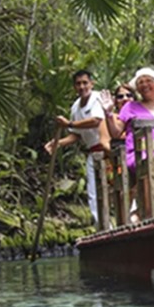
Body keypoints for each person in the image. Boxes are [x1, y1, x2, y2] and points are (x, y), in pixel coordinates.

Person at [45, 69, 108, 226]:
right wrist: (58, 143)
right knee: (93, 192)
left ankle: (126, 222)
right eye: (78, 84)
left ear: (91, 84)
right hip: (92, 152)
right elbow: (77, 134)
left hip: (108, 150)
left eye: (85, 83)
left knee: (114, 189)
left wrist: (69, 124)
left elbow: (96, 121)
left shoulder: (97, 98)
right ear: (74, 87)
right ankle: (100, 225)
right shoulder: (75, 107)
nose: (82, 87)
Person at [105, 67, 154, 215]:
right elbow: (115, 133)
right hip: (140, 154)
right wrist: (108, 113)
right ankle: (150, 214)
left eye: (148, 81)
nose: (145, 84)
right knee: (151, 165)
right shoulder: (130, 107)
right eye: (140, 82)